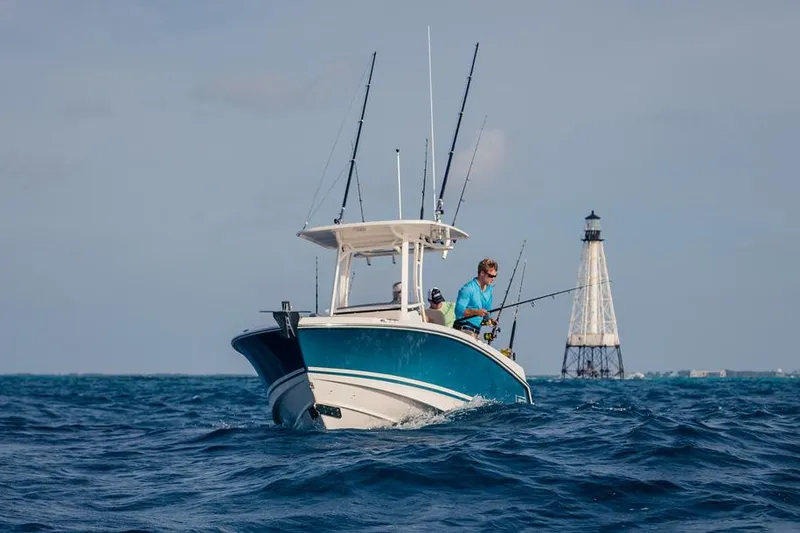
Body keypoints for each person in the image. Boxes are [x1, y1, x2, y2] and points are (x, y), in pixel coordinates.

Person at [455, 258, 498, 338]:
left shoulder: (489, 291)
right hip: (463, 330)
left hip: (476, 333)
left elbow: (486, 313)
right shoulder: (468, 288)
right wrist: (476, 312)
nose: (493, 279)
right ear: (482, 273)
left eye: (495, 276)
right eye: (490, 276)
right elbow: (458, 311)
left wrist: (490, 320)